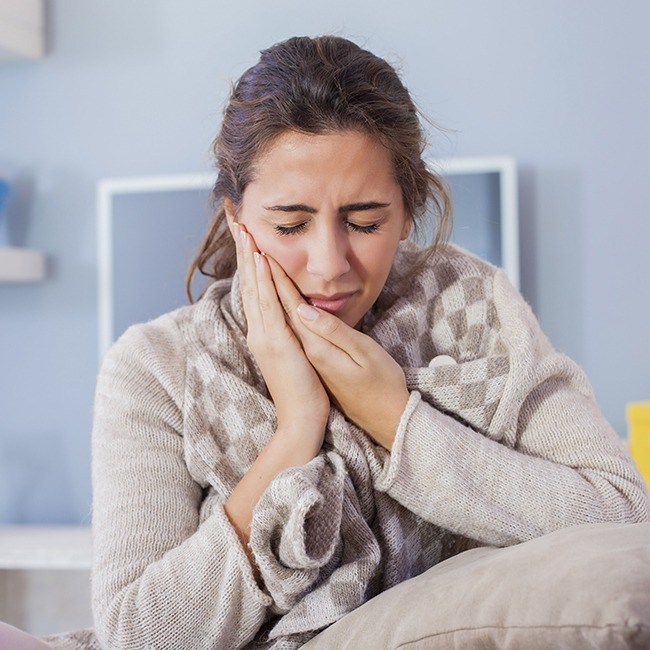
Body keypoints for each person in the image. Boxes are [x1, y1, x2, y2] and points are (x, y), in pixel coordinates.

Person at [6, 34, 647, 650]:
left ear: (407, 209)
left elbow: (622, 515)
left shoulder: (472, 310)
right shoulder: (155, 367)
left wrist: (397, 423)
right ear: (235, 218)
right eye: (290, 225)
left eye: (365, 222)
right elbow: (135, 635)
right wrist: (296, 430)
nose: (330, 263)